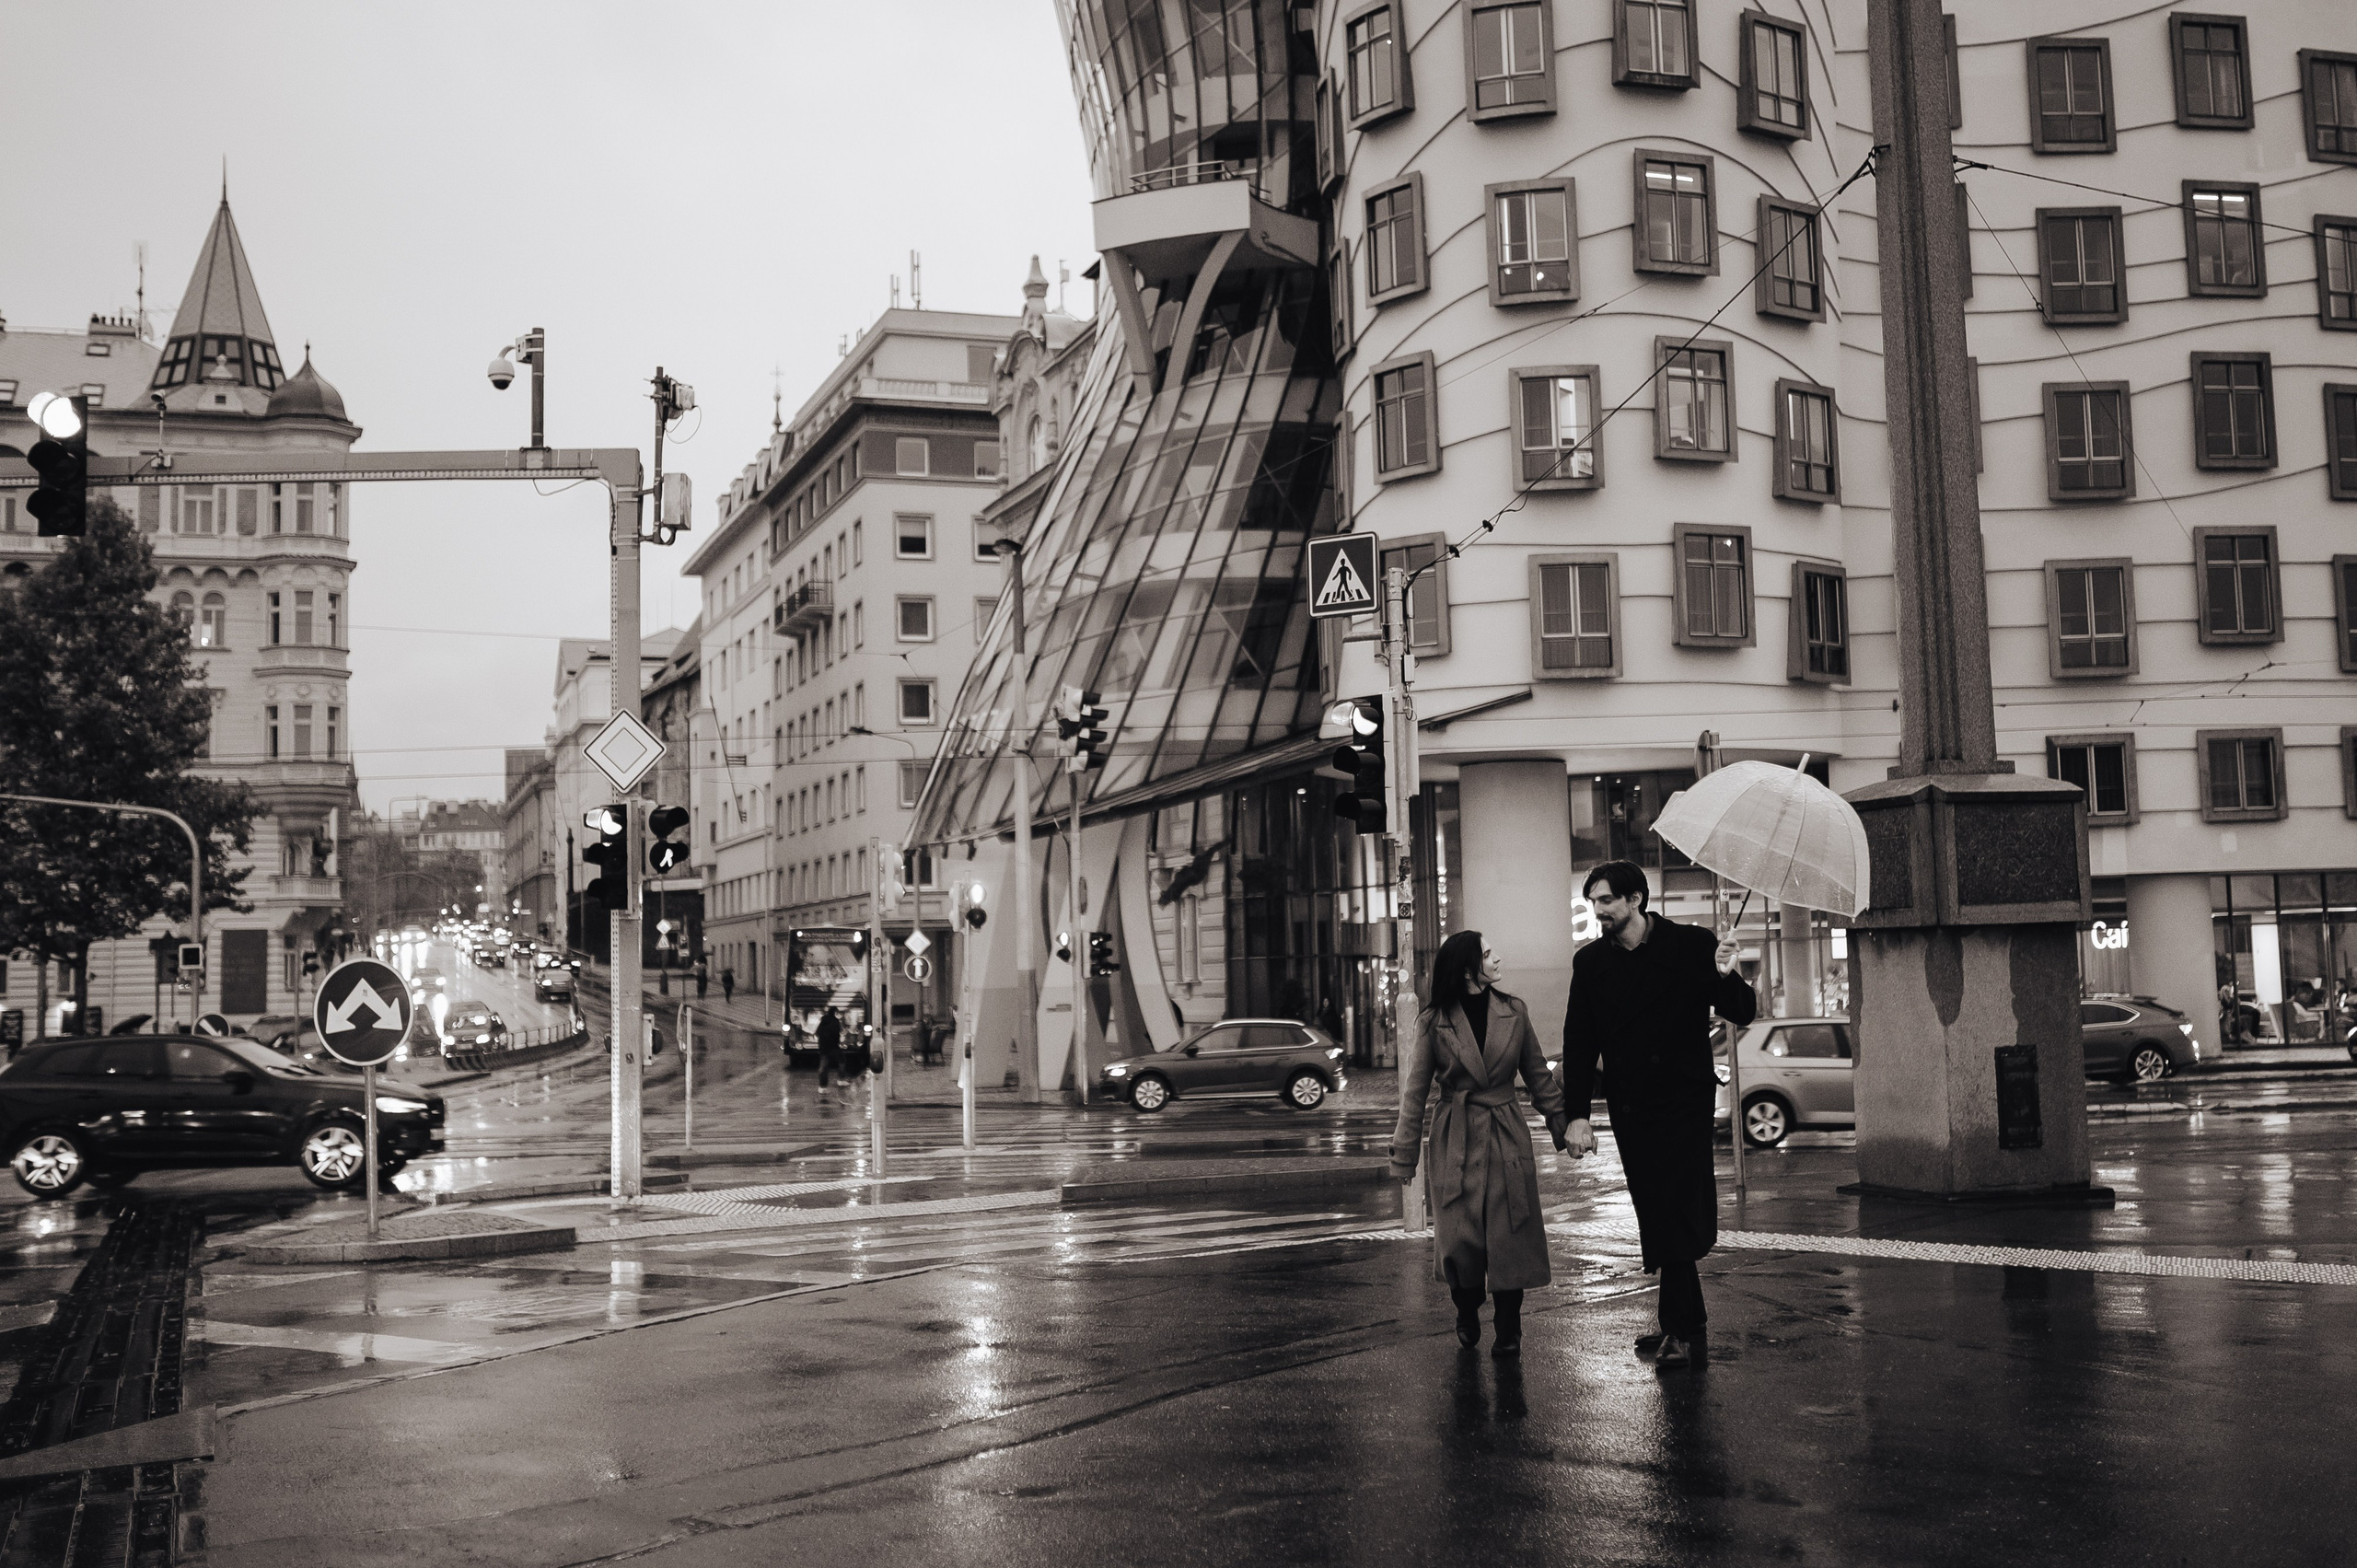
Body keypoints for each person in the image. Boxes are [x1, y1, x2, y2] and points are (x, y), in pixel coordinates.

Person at [1562, 860, 1755, 1371]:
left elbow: (1742, 1011)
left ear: (1636, 900)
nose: (1598, 910)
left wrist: (1728, 972)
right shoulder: (1590, 964)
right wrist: (1576, 1115)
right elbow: (1579, 1044)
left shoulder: (1692, 945)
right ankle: (1687, 1322)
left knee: (1675, 1208)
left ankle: (1679, 1329)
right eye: (1593, 902)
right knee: (1656, 1209)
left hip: (1683, 1102)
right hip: (1632, 1107)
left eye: (1606, 901)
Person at [1389, 930, 1570, 1357]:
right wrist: (1404, 1154)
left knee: (1512, 1236)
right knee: (1460, 1241)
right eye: (1489, 954)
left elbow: (1538, 1079)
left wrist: (1566, 1126)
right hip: (1456, 1135)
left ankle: (1509, 1330)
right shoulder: (1434, 1022)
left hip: (1506, 1131)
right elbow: (1415, 1092)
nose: (1498, 958)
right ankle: (1466, 1307)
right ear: (1469, 969)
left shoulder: (1514, 1012)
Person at [816, 1005, 845, 1098]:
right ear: (835, 1012)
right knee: (842, 1061)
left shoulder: (823, 1021)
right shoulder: (835, 1021)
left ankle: (822, 1087)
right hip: (833, 1047)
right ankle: (841, 1080)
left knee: (823, 1066)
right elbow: (837, 1034)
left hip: (823, 1047)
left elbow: (817, 1033)